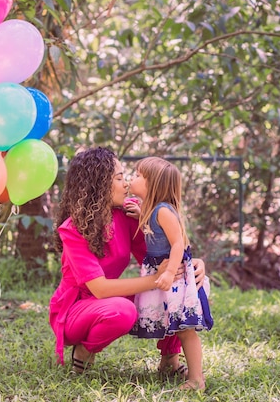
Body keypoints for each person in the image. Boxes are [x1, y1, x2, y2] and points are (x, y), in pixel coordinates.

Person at [48, 147, 206, 377]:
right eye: (119, 178)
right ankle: (83, 350)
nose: (126, 184)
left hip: (109, 299)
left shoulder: (127, 214)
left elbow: (158, 255)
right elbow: (100, 289)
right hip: (76, 311)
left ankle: (169, 359)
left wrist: (190, 264)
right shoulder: (73, 229)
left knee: (178, 287)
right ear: (98, 184)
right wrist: (156, 279)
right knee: (123, 310)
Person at [128, 156, 213, 390]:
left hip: (175, 277)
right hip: (162, 272)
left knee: (185, 329)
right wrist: (139, 213)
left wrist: (168, 273)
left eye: (138, 175)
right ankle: (169, 362)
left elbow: (178, 244)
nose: (132, 177)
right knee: (170, 323)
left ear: (152, 183)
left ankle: (197, 379)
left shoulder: (163, 211)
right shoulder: (151, 209)